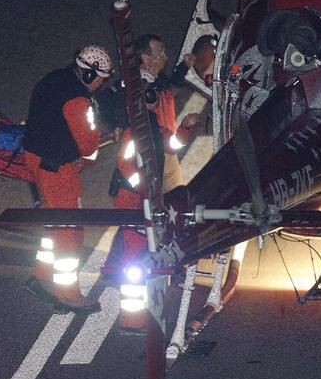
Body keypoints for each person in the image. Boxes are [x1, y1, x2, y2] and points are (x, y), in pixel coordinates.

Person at [22, 44, 113, 315]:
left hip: (37, 158)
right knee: (69, 230)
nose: (99, 85)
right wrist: (93, 142)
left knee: (54, 223)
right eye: (100, 79)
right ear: (89, 75)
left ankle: (41, 276)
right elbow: (87, 145)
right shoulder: (78, 100)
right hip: (57, 168)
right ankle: (68, 293)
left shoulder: (54, 78)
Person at [109, 70, 199, 329]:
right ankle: (132, 318)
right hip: (133, 197)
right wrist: (144, 189)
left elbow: (170, 147)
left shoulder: (150, 123)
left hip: (146, 195)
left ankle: (143, 312)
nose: (156, 100)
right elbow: (124, 162)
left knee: (146, 249)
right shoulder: (134, 129)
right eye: (152, 95)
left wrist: (185, 129)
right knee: (135, 255)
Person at [134, 33, 187, 193]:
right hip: (155, 155)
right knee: (172, 197)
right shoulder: (139, 90)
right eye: (161, 53)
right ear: (146, 58)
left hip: (166, 150)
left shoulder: (157, 79)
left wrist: (183, 68)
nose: (165, 56)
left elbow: (169, 90)